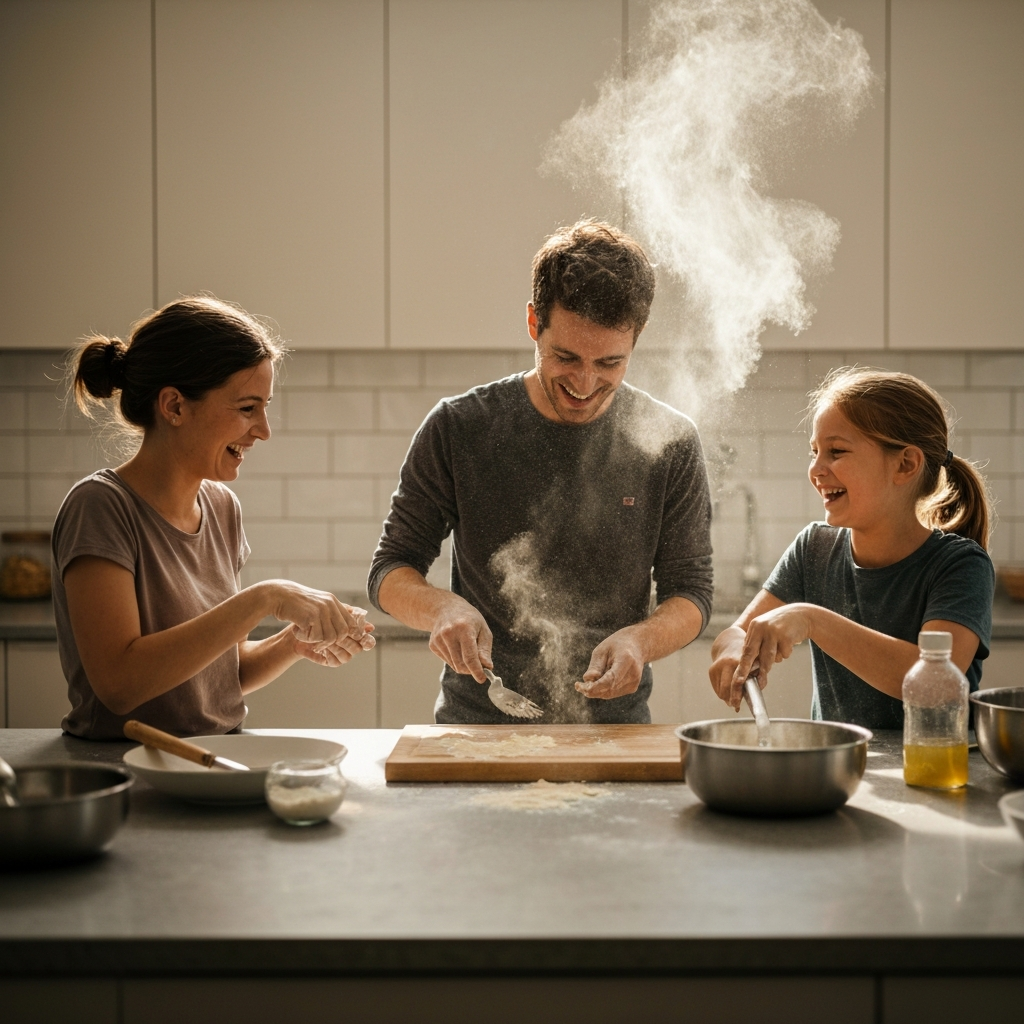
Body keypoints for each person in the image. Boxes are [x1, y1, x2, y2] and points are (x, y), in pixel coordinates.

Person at [368, 220, 713, 724]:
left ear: (636, 340)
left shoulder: (670, 442)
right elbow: (390, 569)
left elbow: (692, 592)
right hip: (478, 726)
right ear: (534, 323)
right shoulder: (459, 427)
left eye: (610, 362)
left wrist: (641, 641)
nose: (585, 381)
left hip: (614, 731)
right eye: (565, 357)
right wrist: (443, 609)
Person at [53, 297, 375, 740]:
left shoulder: (222, 508)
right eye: (247, 408)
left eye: (264, 407)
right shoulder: (101, 507)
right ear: (174, 406)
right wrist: (265, 598)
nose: (263, 429)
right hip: (123, 771)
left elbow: (222, 672)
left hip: (215, 757)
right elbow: (120, 686)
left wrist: (292, 643)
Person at [709, 368, 995, 730]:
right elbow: (733, 634)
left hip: (936, 773)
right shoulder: (813, 548)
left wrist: (811, 619)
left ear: (905, 464)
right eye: (814, 452)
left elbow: (933, 684)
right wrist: (733, 650)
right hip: (846, 768)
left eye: (836, 451)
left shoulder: (961, 565)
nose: (816, 469)